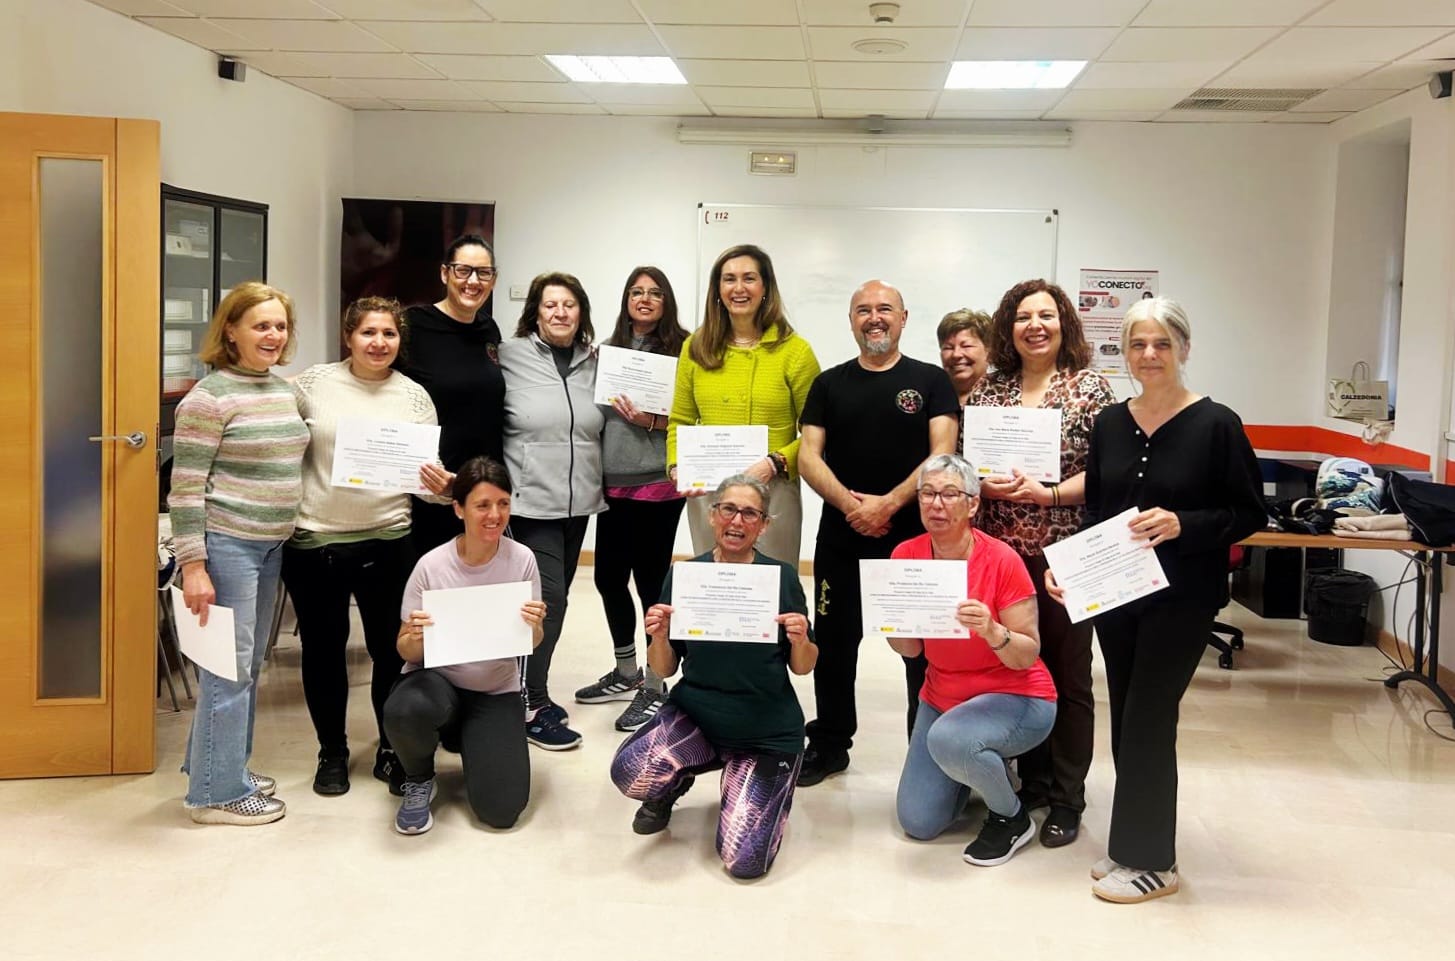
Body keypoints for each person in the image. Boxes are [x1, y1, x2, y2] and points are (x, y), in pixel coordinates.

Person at [1047, 298, 1265, 902]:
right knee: (1127, 714)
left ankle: (1155, 862)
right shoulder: (1111, 424)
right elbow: (1095, 511)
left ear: (1185, 349)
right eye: (1138, 344)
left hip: (1183, 598)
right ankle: (1128, 843)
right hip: (1118, 595)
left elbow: (1250, 512)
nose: (1150, 356)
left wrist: (1183, 524)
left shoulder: (1217, 423)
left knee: (1149, 718)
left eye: (1163, 344)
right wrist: (1073, 571)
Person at [965, 278, 1116, 850]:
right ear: (1008, 327)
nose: (1035, 325)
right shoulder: (989, 391)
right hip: (1002, 557)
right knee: (1016, 670)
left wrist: (1047, 495)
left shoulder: (1091, 389)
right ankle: (1030, 782)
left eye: (1046, 316)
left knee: (1070, 675)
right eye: (1023, 316)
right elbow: (968, 468)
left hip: (1068, 555)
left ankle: (1068, 796)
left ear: (1064, 324)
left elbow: (1103, 476)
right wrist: (983, 482)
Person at [282, 297, 453, 797]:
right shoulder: (313, 385)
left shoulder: (415, 398)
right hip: (317, 539)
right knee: (323, 651)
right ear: (348, 336)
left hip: (389, 537)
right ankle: (331, 751)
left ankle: (389, 749)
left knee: (389, 652)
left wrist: (439, 486)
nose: (379, 343)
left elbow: (423, 485)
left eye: (389, 335)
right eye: (368, 333)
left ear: (400, 340)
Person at [610, 475, 816, 880]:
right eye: (728, 509)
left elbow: (804, 666)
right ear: (712, 515)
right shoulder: (687, 576)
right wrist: (659, 635)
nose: (737, 521)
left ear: (763, 525)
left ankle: (742, 784)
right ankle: (674, 782)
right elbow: (666, 669)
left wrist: (800, 637)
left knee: (744, 861)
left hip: (766, 731)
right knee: (631, 772)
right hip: (698, 716)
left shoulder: (782, 577)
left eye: (750, 513)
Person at [796, 279, 958, 786]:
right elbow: (807, 455)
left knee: (920, 646)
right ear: (851, 321)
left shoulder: (931, 381)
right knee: (836, 643)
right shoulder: (828, 384)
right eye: (863, 310)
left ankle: (925, 746)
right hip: (842, 537)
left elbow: (942, 454)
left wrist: (888, 503)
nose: (874, 318)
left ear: (904, 317)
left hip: (912, 540)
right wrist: (852, 506)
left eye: (884, 309)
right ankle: (830, 743)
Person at [169, 282, 309, 825]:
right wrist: (194, 565)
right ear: (230, 330)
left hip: (271, 543)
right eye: (261, 326)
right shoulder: (208, 398)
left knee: (245, 664)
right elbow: (184, 488)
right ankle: (214, 795)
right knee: (229, 670)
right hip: (228, 546)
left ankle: (217, 767)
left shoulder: (280, 390)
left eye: (280, 326)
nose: (273, 336)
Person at [891, 454, 1056, 866]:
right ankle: (978, 764)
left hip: (1017, 695)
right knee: (919, 821)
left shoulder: (1002, 559)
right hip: (944, 697)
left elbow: (1027, 654)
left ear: (974, 504)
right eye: (927, 494)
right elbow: (910, 651)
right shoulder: (905, 556)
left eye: (950, 494)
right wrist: (892, 622)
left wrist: (992, 631)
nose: (936, 504)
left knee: (950, 739)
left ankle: (1011, 816)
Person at [384, 457, 547, 835]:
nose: (494, 515)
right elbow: (405, 651)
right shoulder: (432, 565)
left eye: (503, 504)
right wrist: (415, 638)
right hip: (437, 683)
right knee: (405, 709)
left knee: (502, 812)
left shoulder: (522, 559)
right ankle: (419, 777)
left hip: (494, 689)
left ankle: (471, 739)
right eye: (482, 505)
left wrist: (534, 627)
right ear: (458, 509)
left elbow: (532, 643)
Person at [577, 267, 689, 732]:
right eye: (636, 292)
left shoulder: (685, 349)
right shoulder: (606, 352)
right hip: (613, 483)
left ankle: (655, 686)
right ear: (625, 299)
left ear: (667, 301)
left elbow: (692, 417)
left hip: (658, 484)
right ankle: (626, 670)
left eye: (654, 292)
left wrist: (650, 421)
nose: (644, 299)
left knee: (650, 586)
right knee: (606, 578)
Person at [498, 271, 605, 751]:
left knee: (552, 601)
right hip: (529, 503)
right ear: (535, 313)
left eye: (569, 305)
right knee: (550, 601)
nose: (560, 313)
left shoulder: (595, 362)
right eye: (550, 305)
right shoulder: (509, 356)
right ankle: (529, 701)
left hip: (579, 502)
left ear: (581, 312)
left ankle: (528, 691)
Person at [666, 244, 820, 567]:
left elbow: (816, 431)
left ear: (765, 287)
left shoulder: (796, 351)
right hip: (710, 493)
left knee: (772, 585)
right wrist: (676, 465)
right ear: (718, 289)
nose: (739, 288)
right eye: (729, 279)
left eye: (749, 278)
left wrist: (776, 463)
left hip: (773, 489)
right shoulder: (695, 347)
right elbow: (679, 420)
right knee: (716, 586)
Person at [395, 234, 505, 554]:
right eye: (463, 270)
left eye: (483, 273)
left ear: (493, 279)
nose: (473, 281)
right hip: (431, 487)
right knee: (432, 590)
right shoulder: (412, 324)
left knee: (476, 587)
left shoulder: (488, 328)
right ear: (445, 274)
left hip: (483, 488)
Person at [938, 308, 994, 453]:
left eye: (966, 346)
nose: (956, 354)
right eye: (948, 347)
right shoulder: (932, 396)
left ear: (989, 351)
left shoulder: (1007, 397)